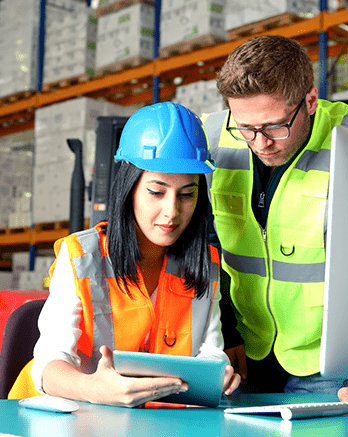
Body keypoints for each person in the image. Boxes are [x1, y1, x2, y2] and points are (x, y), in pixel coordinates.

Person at [201, 35, 348, 415]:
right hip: (245, 351)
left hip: (330, 364)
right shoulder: (215, 136)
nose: (259, 143)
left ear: (310, 101)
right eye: (245, 127)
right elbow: (210, 245)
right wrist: (226, 332)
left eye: (274, 126)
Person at [9, 102, 240, 406]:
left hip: (144, 421)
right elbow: (48, 363)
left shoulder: (204, 264)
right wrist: (94, 388)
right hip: (53, 416)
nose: (172, 211)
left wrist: (217, 372)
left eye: (187, 194)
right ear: (129, 188)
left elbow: (209, 351)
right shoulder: (81, 256)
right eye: (156, 192)